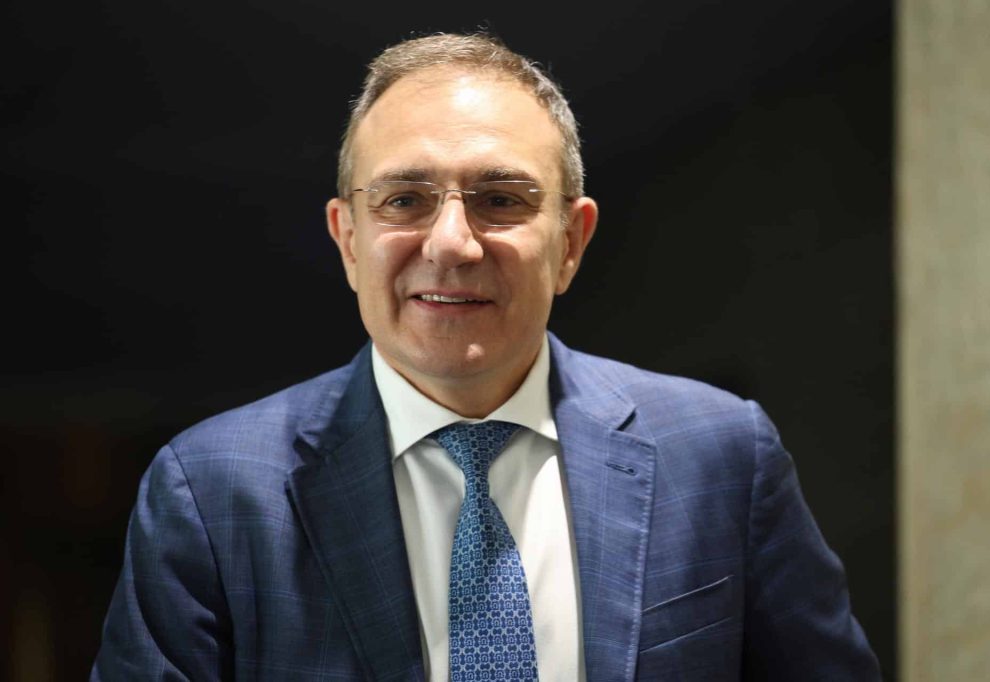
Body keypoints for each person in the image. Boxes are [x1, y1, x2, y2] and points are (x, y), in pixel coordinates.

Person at [92, 32, 880, 681]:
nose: (452, 244)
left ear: (570, 243)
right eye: (405, 200)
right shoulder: (213, 490)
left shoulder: (722, 454)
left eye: (500, 199)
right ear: (348, 240)